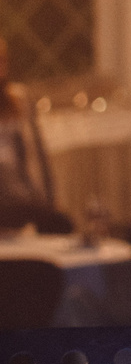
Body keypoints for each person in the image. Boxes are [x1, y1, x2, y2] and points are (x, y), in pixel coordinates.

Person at [0, 35, 68, 233]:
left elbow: (39, 157)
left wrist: (50, 199)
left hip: (25, 198)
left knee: (61, 225)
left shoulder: (19, 99)